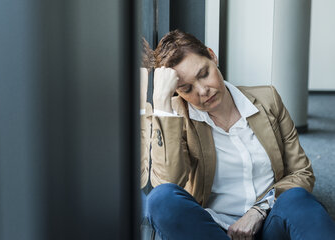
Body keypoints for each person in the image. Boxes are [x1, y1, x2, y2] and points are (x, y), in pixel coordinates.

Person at [140, 30, 335, 240]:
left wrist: (258, 210)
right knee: (159, 199)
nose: (202, 91)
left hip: (270, 220)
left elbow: (302, 172)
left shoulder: (267, 99)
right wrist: (161, 104)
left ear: (212, 56)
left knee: (297, 198)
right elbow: (168, 186)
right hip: (212, 229)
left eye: (204, 74)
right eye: (186, 88)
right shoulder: (177, 117)